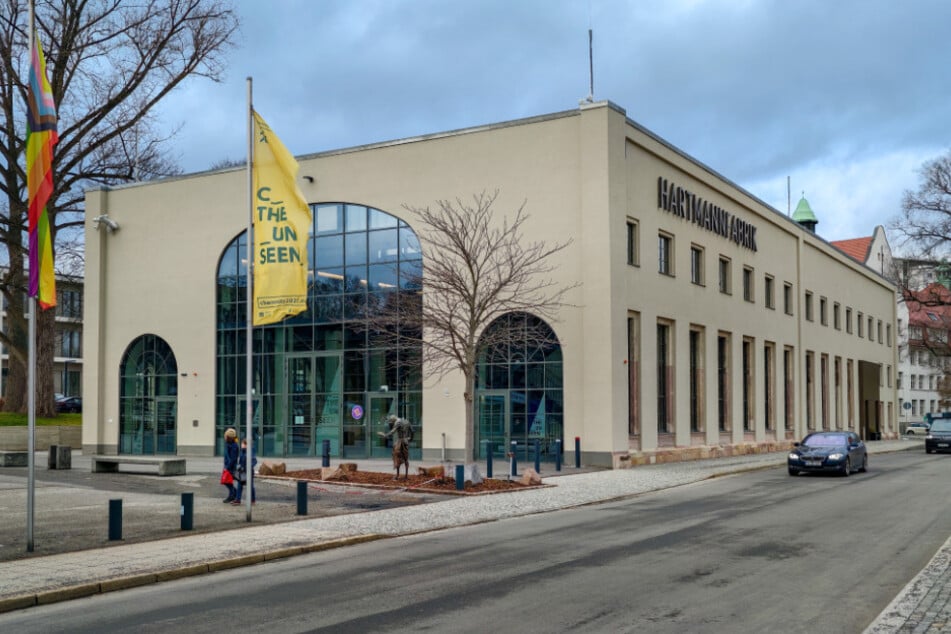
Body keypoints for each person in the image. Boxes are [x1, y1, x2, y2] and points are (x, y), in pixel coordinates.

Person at [379, 415, 414, 480]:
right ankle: (406, 476)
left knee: (396, 456)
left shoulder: (397, 422)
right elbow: (412, 431)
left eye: (392, 422)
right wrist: (410, 439)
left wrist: (385, 435)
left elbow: (392, 431)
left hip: (400, 442)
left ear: (393, 420)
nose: (392, 423)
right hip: (406, 441)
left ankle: (397, 475)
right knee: (406, 458)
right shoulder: (406, 421)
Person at [233, 437, 257, 505]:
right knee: (240, 485)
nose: (241, 445)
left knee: (250, 486)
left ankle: (252, 500)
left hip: (248, 472)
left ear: (246, 445)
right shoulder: (243, 451)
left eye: (242, 444)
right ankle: (237, 500)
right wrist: (239, 466)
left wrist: (248, 467)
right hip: (242, 472)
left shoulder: (251, 451)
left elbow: (254, 461)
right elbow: (240, 461)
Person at [222, 428, 239, 503]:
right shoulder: (228, 443)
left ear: (229, 437)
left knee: (227, 481)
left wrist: (228, 467)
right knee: (227, 481)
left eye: (226, 436)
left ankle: (233, 495)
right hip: (227, 466)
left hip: (230, 467)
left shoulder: (234, 446)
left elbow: (233, 459)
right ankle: (233, 494)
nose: (224, 437)